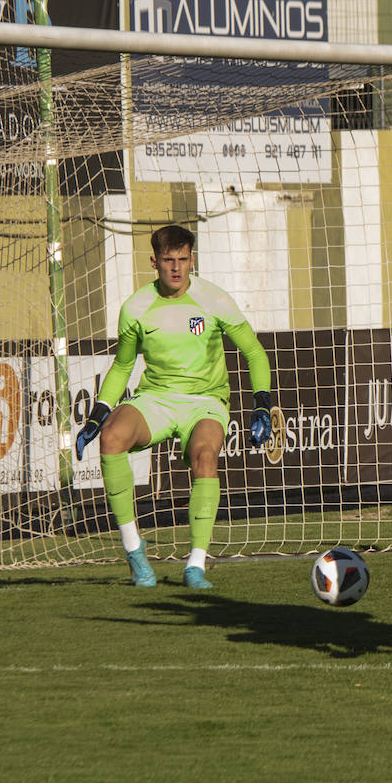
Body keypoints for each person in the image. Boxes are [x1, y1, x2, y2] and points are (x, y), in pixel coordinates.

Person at [75, 224, 274, 588]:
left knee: (205, 457)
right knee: (111, 438)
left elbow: (254, 352)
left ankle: (195, 565)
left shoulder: (213, 299)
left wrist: (262, 403)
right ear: (155, 261)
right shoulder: (136, 306)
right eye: (169, 260)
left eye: (183, 259)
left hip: (205, 402)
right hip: (157, 399)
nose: (177, 268)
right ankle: (135, 552)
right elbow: (123, 366)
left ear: (191, 259)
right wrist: (98, 413)